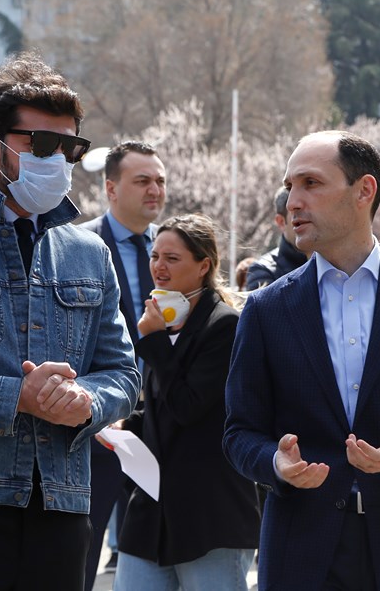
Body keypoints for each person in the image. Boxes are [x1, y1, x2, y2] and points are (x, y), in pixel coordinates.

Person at [0, 52, 142, 591]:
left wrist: (85, 400)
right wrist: (16, 397)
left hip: (62, 506)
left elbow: (124, 374)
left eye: (70, 147)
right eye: (41, 145)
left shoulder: (88, 252)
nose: (58, 159)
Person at [223, 130, 380, 590]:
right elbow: (240, 432)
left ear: (364, 190)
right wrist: (275, 464)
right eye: (289, 186)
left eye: (311, 183)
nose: (293, 201)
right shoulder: (265, 309)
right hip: (301, 551)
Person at [112, 213, 260, 591]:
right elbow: (161, 406)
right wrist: (126, 425)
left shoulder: (224, 325)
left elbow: (189, 406)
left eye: (172, 258)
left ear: (203, 266)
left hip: (210, 515)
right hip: (151, 510)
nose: (158, 267)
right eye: (154, 256)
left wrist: (154, 342)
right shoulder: (162, 320)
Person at [79, 140, 167, 588]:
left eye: (160, 181)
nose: (155, 190)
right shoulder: (80, 246)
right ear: (111, 189)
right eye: (142, 181)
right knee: (81, 555)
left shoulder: (173, 250)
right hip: (98, 430)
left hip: (162, 429)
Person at [244, 185, 308, 291]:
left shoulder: (331, 262)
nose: (307, 219)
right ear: (281, 222)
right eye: (298, 214)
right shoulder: (263, 270)